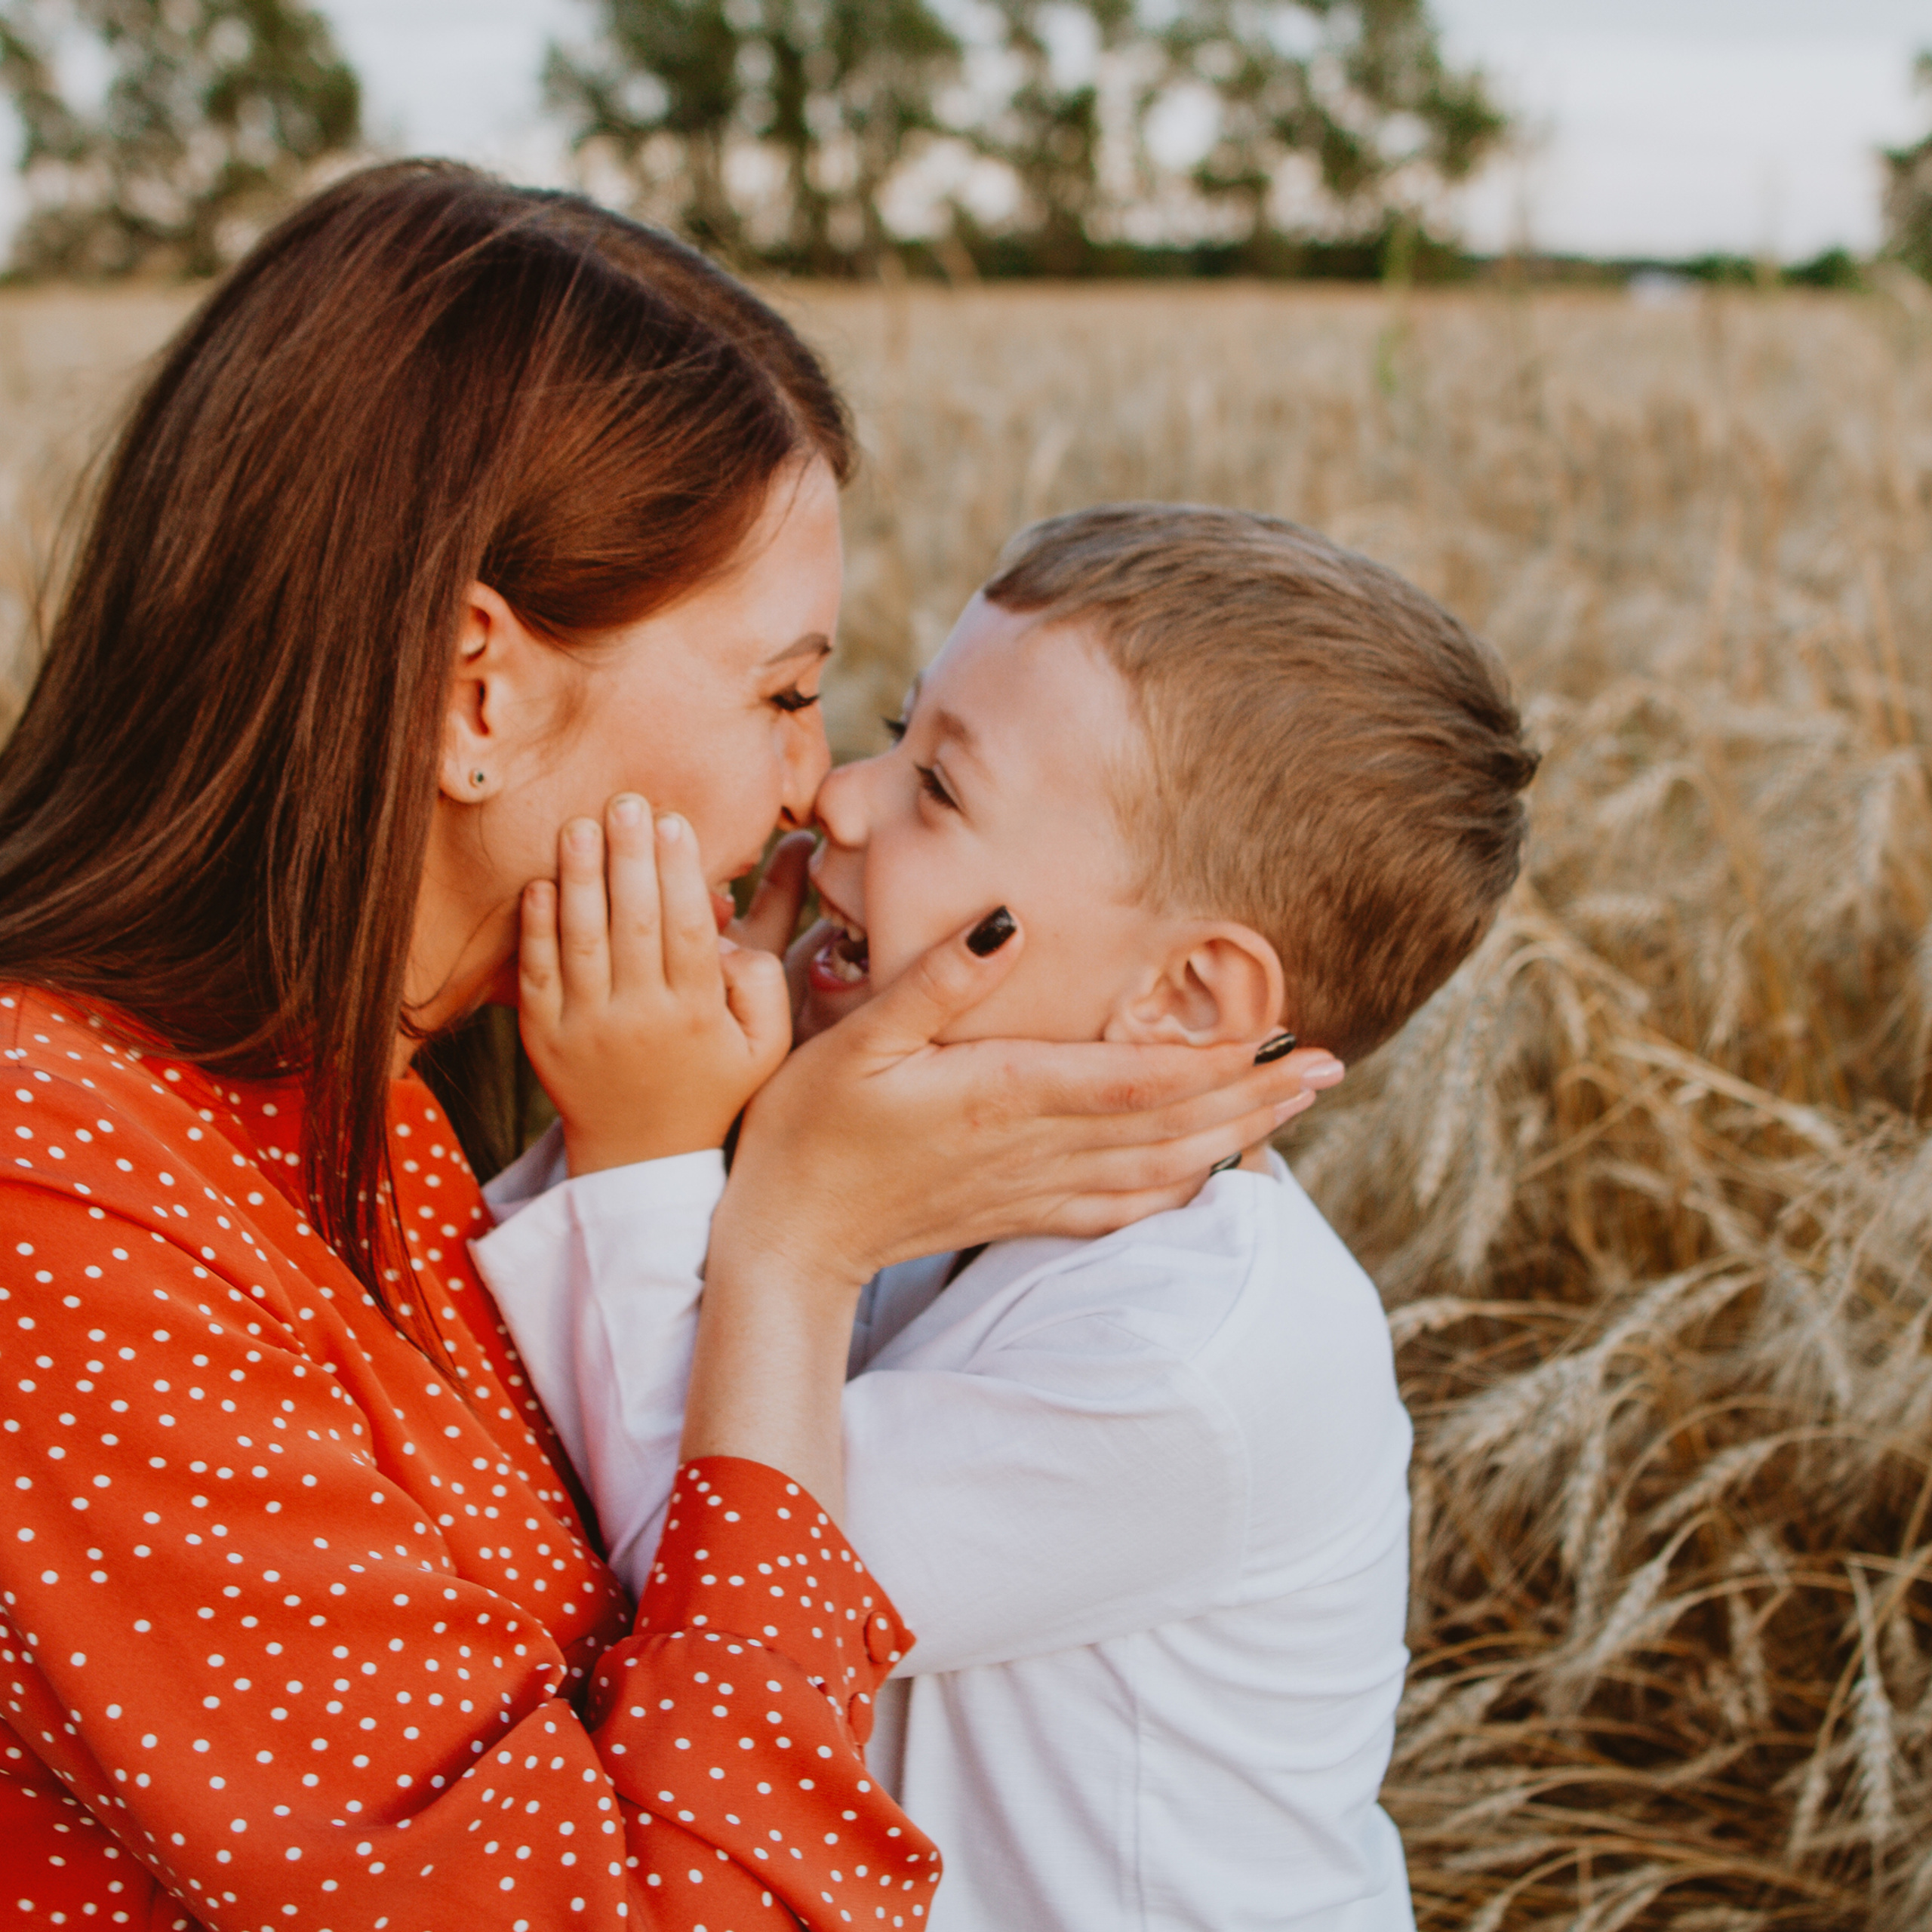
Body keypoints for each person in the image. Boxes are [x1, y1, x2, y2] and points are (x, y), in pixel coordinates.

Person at [0, 169, 1330, 1931]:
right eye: (783, 693)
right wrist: (788, 1242)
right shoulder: (58, 1207)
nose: (812, 793)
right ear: (480, 694)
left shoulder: (353, 1112)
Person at [475, 503, 1539, 1930]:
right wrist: (718, 1107)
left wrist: (643, 1141)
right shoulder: (939, 1155)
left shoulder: (1187, 1366)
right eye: (900, 734)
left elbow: (711, 1577)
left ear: (1184, 1000)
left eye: (944, 792)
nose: (840, 801)